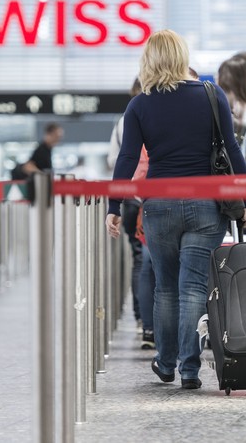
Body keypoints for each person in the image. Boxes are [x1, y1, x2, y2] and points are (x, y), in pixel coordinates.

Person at [105, 29, 246, 390]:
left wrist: (114, 205)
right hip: (207, 205)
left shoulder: (140, 105)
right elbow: (233, 152)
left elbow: (128, 158)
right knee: (193, 287)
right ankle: (190, 369)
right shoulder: (210, 94)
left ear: (149, 60)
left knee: (165, 287)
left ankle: (165, 361)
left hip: (159, 206)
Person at [107, 78, 147, 338]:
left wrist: (115, 203)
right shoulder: (165, 108)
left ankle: (142, 319)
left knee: (139, 260)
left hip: (132, 197)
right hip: (164, 195)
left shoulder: (126, 118)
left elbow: (115, 158)